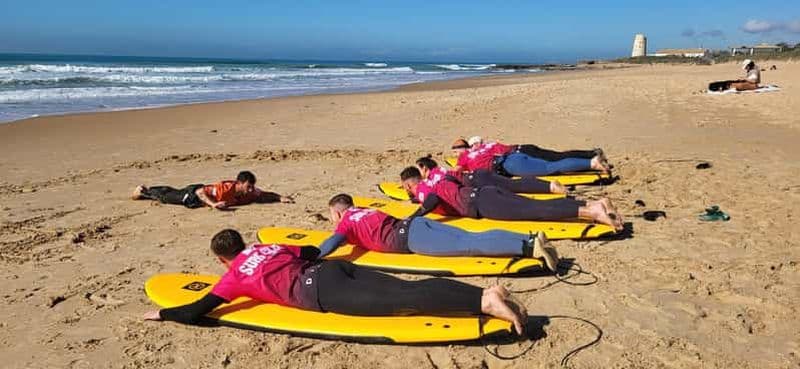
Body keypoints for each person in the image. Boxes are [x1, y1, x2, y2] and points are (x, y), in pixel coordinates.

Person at [142, 229, 528, 334]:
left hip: (324, 291)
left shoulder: (233, 278)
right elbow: (310, 251)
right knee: (405, 285)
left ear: (222, 259)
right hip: (331, 271)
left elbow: (197, 311)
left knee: (403, 300)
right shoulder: (270, 247)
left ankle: (484, 302)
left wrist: (163, 312)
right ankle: (484, 292)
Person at [321, 193, 559, 271]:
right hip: (416, 225)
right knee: (472, 236)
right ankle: (529, 237)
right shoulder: (365, 209)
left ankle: (530, 247)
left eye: (332, 215)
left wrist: (310, 255)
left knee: (468, 246)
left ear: (338, 212)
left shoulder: (346, 222)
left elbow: (332, 243)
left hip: (412, 238)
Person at [400, 166, 623, 231]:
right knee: (535, 205)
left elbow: (429, 201)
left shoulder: (421, 189)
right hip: (485, 192)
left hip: (483, 204)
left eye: (405, 188)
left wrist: (414, 217)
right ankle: (593, 204)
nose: (407, 191)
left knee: (536, 211)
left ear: (410, 183)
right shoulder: (438, 177)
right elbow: (456, 183)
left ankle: (592, 212)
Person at [132, 170, 293, 210]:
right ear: (240, 183)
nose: (251, 189)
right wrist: (213, 204)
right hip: (194, 195)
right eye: (248, 186)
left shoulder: (249, 192)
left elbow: (263, 195)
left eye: (252, 186)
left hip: (200, 196)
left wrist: (280, 198)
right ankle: (143, 191)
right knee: (167, 197)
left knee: (171, 191)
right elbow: (200, 192)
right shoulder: (224, 189)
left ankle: (149, 190)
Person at [450, 138, 609, 177]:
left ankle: (592, 162)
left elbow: (456, 172)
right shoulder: (484, 147)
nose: (456, 155)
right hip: (515, 155)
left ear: (462, 149)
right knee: (555, 160)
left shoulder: (464, 157)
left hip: (509, 165)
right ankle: (590, 158)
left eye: (456, 152)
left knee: (551, 167)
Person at [415, 155, 567, 195]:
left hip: (476, 182)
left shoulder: (434, 177)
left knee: (513, 188)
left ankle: (551, 187)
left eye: (419, 169)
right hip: (478, 175)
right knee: (513, 185)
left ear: (424, 167)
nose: (419, 173)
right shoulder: (441, 170)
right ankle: (549, 185)